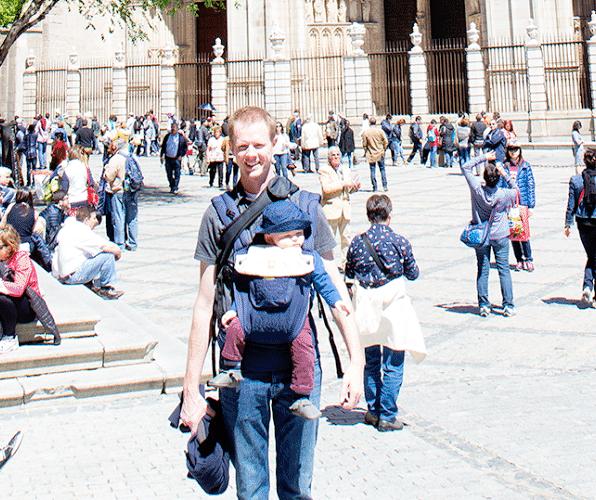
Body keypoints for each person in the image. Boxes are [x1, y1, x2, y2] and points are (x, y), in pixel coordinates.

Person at [180, 106, 363, 500]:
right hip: (242, 374)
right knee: (251, 488)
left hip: (301, 368)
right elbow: (204, 302)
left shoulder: (307, 206)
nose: (252, 154)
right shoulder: (218, 215)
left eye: (259, 145)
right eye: (242, 146)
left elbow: (333, 285)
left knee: (297, 487)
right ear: (230, 149)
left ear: (275, 144)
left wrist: (357, 362)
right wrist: (190, 388)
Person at [209, 200, 349, 421]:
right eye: (287, 236)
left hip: (294, 319)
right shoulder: (255, 255)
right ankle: (231, 369)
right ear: (269, 237)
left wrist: (335, 301)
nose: (296, 239)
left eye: (299, 234)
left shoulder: (307, 257)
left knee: (304, 345)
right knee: (235, 329)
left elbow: (322, 280)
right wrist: (235, 310)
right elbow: (245, 289)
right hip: (253, 316)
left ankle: (302, 394)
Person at [344, 193, 421, 433]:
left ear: (368, 216)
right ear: (389, 215)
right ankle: (387, 414)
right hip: (394, 306)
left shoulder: (357, 243)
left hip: (366, 306)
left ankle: (373, 409)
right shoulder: (400, 241)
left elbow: (348, 273)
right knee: (394, 361)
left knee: (370, 361)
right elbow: (413, 273)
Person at [0, 222, 60, 354]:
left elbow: (18, 289)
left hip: (26, 307)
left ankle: (10, 338)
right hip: (6, 306)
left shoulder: (21, 260)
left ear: (9, 247)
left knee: (2, 298)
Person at [460, 154, 519, 318]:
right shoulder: (503, 194)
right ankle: (508, 305)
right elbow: (516, 189)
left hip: (481, 236)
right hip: (500, 235)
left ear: (484, 178)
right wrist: (504, 172)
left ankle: (484, 305)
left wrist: (483, 157)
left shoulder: (477, 190)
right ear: (497, 179)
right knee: (504, 270)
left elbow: (465, 167)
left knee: (483, 270)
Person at [564, 146, 596, 308]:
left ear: (584, 162)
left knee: (591, 256)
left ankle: (587, 286)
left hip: (584, 225)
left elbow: (571, 205)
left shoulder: (575, 180)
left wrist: (568, 223)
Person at [52, 204, 123, 297]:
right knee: (107, 256)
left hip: (62, 275)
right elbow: (108, 246)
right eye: (94, 218)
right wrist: (118, 253)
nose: (96, 221)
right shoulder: (82, 231)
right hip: (73, 277)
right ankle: (106, 289)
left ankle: (94, 285)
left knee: (92, 255)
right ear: (86, 220)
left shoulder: (67, 228)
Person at [318, 145, 359, 259]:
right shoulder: (324, 170)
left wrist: (355, 187)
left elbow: (348, 189)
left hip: (345, 208)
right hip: (331, 209)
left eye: (338, 155)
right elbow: (326, 189)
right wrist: (342, 183)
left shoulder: (346, 169)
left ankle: (345, 263)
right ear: (329, 158)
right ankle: (330, 263)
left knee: (346, 237)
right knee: (330, 239)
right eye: (333, 155)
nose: (336, 157)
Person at [504, 143, 536, 269]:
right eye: (510, 149)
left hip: (522, 203)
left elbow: (531, 185)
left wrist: (531, 205)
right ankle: (519, 259)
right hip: (510, 205)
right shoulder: (504, 166)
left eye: (515, 149)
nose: (513, 152)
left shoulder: (525, 166)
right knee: (514, 233)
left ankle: (528, 258)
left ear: (520, 150)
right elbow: (501, 185)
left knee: (524, 233)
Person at [361, 116, 388, 192]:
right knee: (382, 169)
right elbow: (386, 141)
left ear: (369, 123)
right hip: (380, 153)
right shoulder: (380, 131)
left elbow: (364, 144)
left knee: (372, 170)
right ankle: (385, 185)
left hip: (371, 154)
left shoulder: (367, 132)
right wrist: (383, 149)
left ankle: (375, 187)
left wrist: (366, 151)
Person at [161, 119, 186, 196]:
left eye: (174, 128)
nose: (173, 129)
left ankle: (175, 187)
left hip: (176, 158)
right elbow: (163, 147)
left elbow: (185, 147)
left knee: (177, 173)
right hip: (168, 158)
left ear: (177, 128)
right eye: (172, 128)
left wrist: (181, 155)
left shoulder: (181, 137)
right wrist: (162, 156)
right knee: (169, 173)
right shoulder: (167, 136)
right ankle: (171, 186)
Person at [208, 123, 228, 189]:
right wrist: (208, 158)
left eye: (218, 132)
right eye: (215, 132)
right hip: (213, 157)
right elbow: (208, 149)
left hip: (220, 157)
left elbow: (225, 148)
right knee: (212, 170)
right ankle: (211, 182)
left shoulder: (222, 139)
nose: (216, 134)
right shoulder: (211, 139)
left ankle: (220, 183)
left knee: (221, 171)